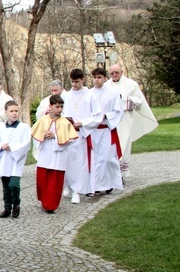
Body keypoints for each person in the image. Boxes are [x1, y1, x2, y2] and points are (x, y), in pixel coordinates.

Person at [106, 64, 158, 179]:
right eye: (112, 73)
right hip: (111, 121)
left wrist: (121, 98)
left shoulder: (131, 84)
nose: (114, 75)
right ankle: (112, 174)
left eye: (117, 72)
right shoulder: (106, 86)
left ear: (122, 71)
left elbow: (139, 101)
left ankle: (122, 175)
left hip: (125, 119)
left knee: (124, 145)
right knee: (111, 147)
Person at [31, 95, 78, 212]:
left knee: (54, 182)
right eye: (57, 107)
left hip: (58, 156)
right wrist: (43, 136)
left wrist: (55, 136)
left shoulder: (65, 122)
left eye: (61, 107)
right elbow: (35, 138)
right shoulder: (42, 120)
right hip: (45, 154)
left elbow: (70, 140)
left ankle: (52, 205)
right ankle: (44, 201)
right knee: (43, 181)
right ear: (50, 106)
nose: (60, 109)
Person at [62, 69, 103, 204]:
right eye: (72, 82)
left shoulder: (90, 96)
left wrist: (83, 123)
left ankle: (77, 191)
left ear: (83, 80)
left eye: (77, 82)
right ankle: (67, 185)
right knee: (67, 162)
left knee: (80, 163)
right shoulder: (66, 96)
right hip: (68, 134)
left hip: (82, 134)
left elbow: (98, 116)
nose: (74, 85)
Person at [0, 100, 31, 218]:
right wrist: (1, 147)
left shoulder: (23, 127)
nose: (14, 113)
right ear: (5, 112)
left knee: (14, 184)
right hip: (4, 159)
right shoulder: (0, 127)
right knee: (6, 186)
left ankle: (16, 204)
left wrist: (11, 148)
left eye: (16, 111)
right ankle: (7, 207)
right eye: (11, 111)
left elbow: (26, 143)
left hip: (16, 159)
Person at [89, 67, 124, 195]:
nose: (96, 80)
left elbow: (118, 111)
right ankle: (95, 186)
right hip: (92, 131)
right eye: (94, 77)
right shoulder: (89, 93)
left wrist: (105, 116)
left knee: (107, 158)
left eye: (99, 77)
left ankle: (108, 184)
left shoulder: (112, 93)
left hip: (105, 129)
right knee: (94, 159)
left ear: (105, 78)